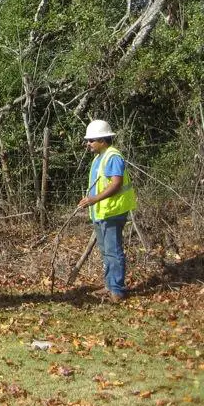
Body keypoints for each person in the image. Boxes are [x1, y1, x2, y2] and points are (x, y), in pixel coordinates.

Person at [77, 119, 137, 302]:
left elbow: (116, 184)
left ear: (103, 140)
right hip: (101, 212)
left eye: (91, 140)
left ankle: (117, 291)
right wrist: (91, 201)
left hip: (113, 212)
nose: (88, 144)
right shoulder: (99, 157)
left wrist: (93, 199)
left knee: (113, 251)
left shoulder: (113, 156)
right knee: (106, 251)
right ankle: (110, 285)